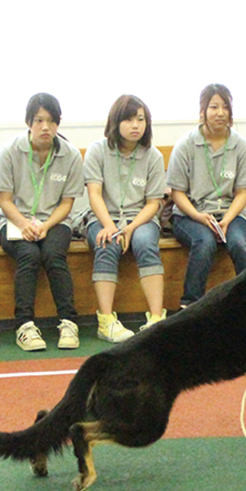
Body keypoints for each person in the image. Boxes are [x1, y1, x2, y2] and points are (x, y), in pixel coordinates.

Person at [0, 93, 84, 351]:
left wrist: (45, 225)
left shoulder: (71, 155)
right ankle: (24, 325)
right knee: (29, 256)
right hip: (13, 221)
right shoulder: (9, 152)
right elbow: (5, 201)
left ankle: (68, 321)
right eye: (39, 120)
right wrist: (24, 224)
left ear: (58, 123)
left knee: (54, 255)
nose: (46, 127)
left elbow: (67, 204)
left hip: (55, 222)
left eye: (52, 121)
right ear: (28, 122)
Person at [84, 95, 166, 341]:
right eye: (129, 119)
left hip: (140, 219)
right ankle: (106, 320)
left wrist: (130, 228)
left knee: (145, 243)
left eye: (140, 119)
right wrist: (110, 226)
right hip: (102, 216)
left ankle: (156, 319)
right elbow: (94, 194)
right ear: (115, 122)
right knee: (106, 242)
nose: (135, 125)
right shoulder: (98, 150)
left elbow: (153, 203)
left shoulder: (153, 156)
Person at [168, 84, 246, 308]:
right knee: (204, 242)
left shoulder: (241, 146)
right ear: (202, 111)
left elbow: (242, 193)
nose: (220, 113)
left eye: (225, 107)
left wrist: (227, 220)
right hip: (190, 215)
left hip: (230, 213)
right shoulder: (186, 144)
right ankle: (190, 305)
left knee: (240, 244)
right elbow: (177, 193)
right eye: (213, 107)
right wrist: (198, 216)